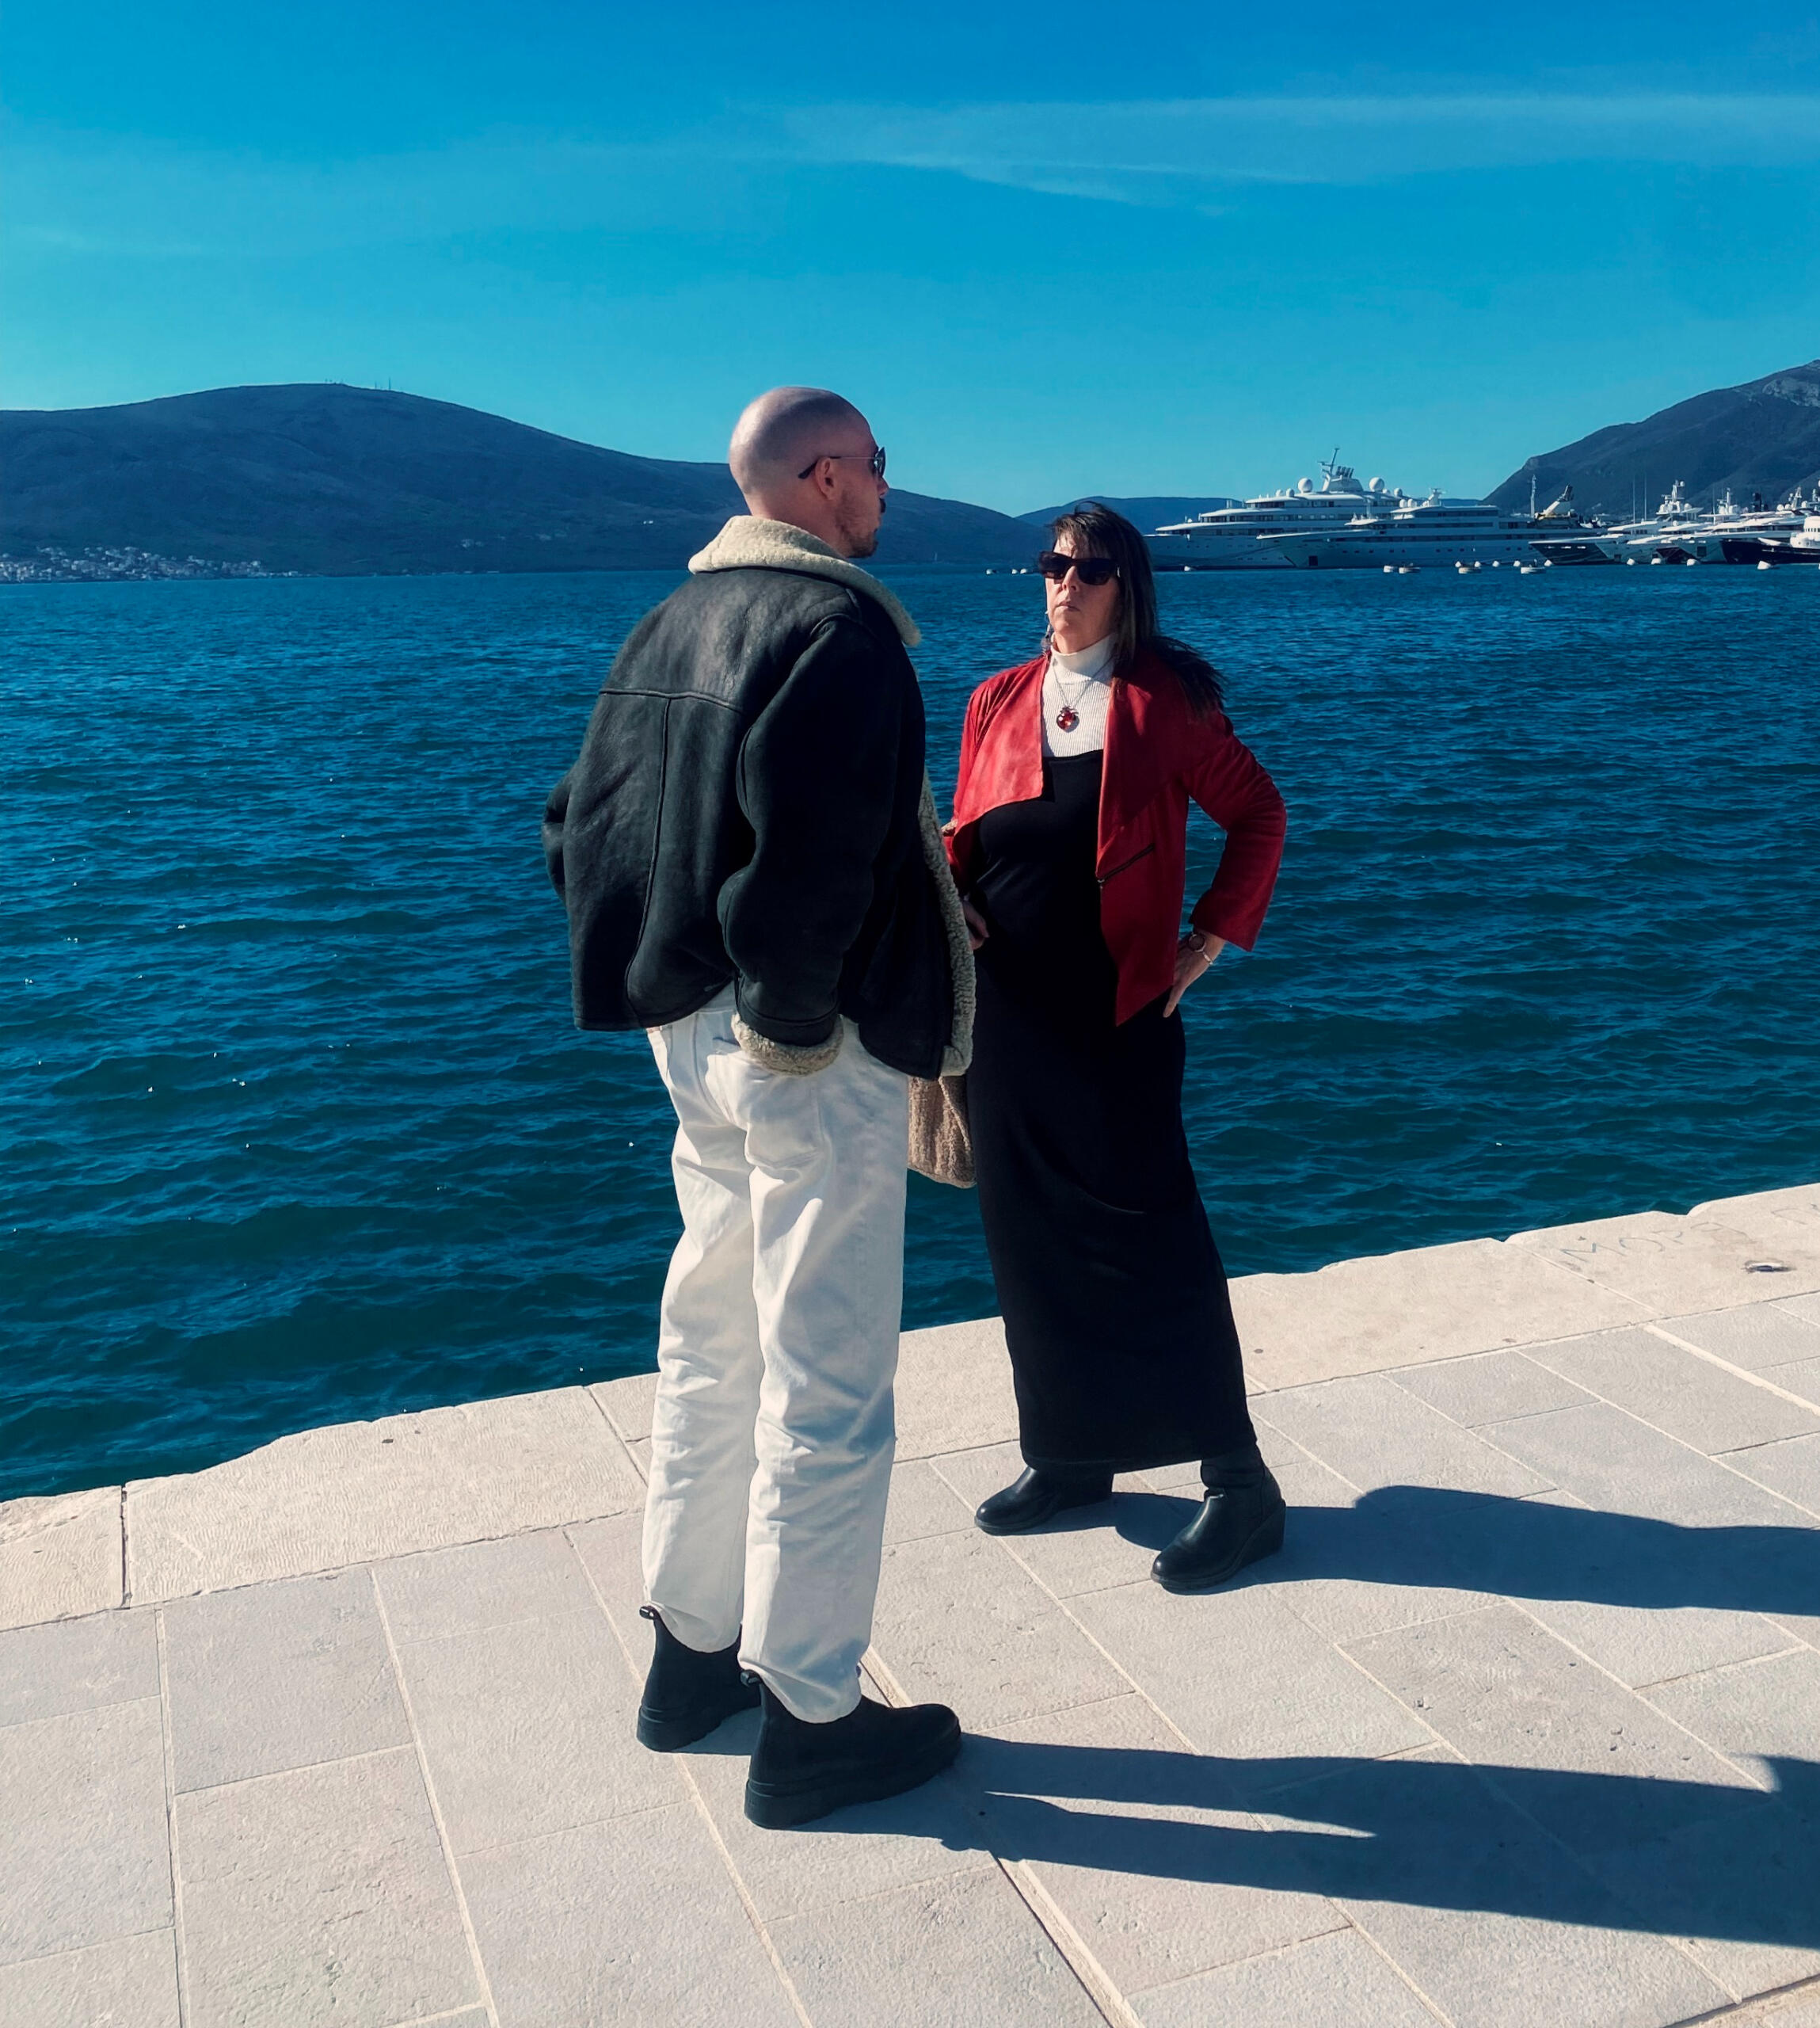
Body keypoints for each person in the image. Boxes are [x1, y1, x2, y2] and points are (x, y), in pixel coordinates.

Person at [543, 387, 973, 1827]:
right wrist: (792, 1028)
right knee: (828, 1381)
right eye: (878, 467)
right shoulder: (836, 630)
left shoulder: (665, 624)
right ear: (825, 474)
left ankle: (688, 1664)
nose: (888, 490)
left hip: (690, 1030)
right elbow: (815, 862)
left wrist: (659, 973)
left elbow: (576, 825)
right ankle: (811, 1720)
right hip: (804, 1050)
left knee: (710, 1339)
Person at [946, 502, 1288, 1592]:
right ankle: (1069, 1454)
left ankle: (1239, 1483)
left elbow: (1259, 815)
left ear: (1126, 587)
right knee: (1027, 1236)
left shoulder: (1164, 702)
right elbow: (965, 837)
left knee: (1155, 1239)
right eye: (1052, 564)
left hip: (1119, 1015)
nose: (1065, 584)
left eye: (1089, 570)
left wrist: (1209, 939)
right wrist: (951, 901)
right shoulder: (995, 700)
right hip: (1005, 1020)